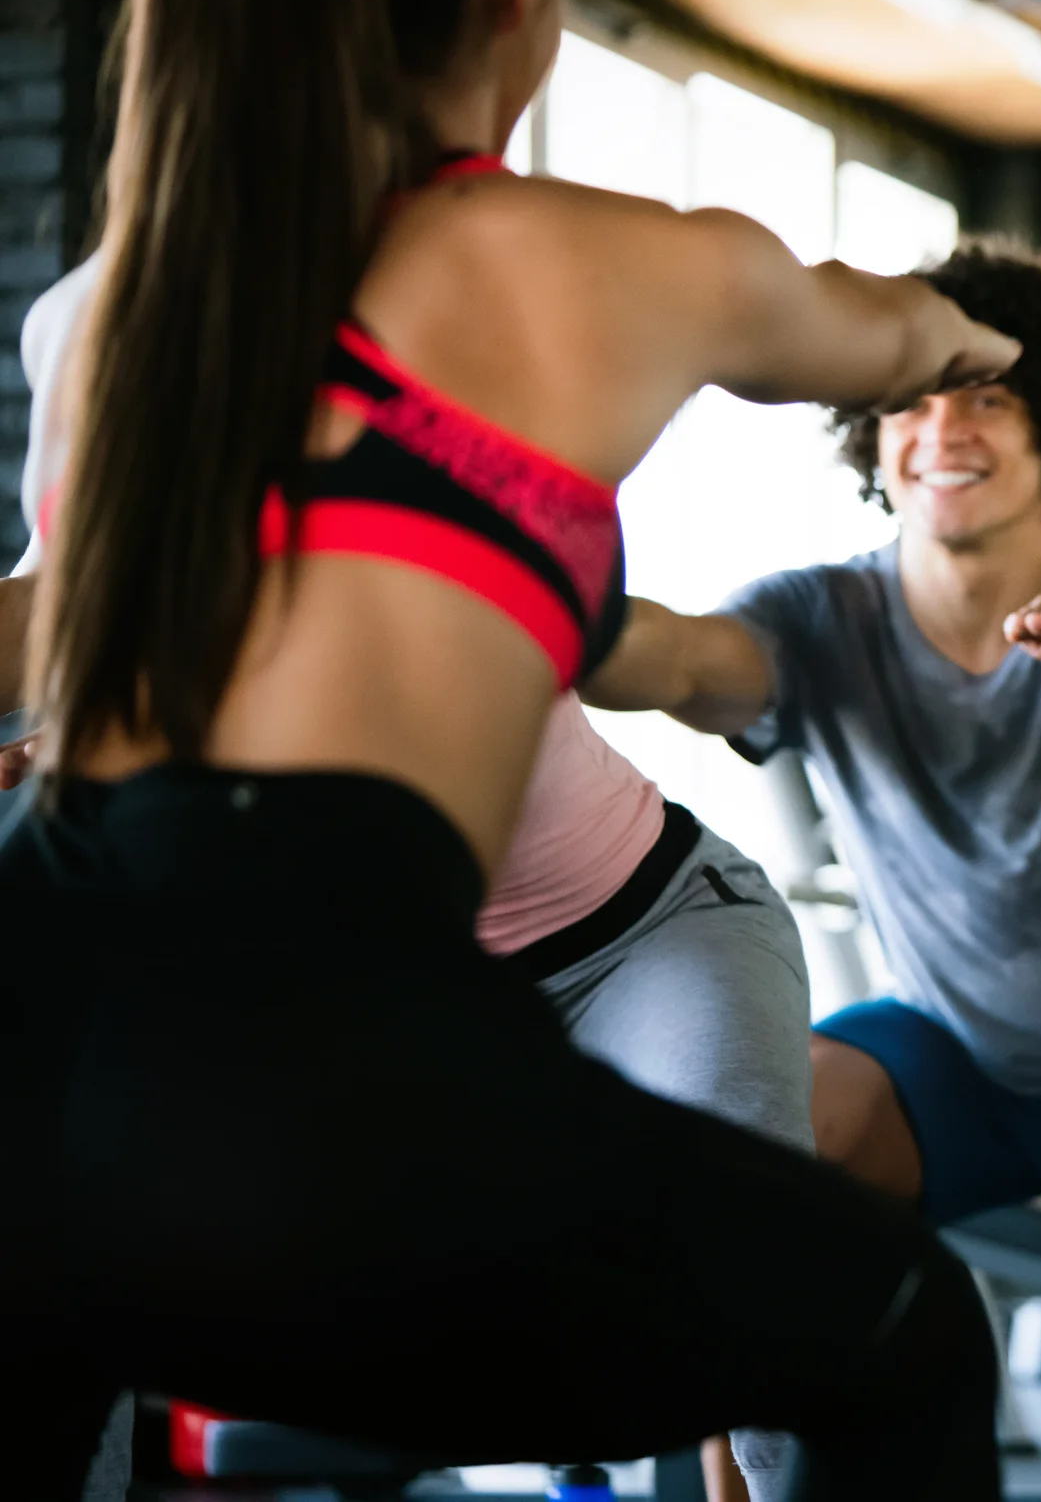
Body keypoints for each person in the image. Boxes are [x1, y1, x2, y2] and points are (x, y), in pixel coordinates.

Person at [0, 0, 1026, 1495]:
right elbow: (886, 329)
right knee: (902, 1325)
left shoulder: (105, 312)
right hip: (310, 1016)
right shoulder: (601, 261)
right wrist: (981, 343)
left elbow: (44, 615)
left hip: (41, 966)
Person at [10, 265, 809, 1502]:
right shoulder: (96, 337)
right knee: (77, 1238)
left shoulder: (414, 368)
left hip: (642, 933)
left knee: (759, 1287)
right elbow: (51, 604)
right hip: (379, 995)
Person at [583, 240, 1041, 1502]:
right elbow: (672, 660)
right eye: (913, 399)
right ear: (874, 440)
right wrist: (524, 588)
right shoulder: (819, 617)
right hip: (951, 1064)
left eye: (985, 394)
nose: (945, 427)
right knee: (745, 1159)